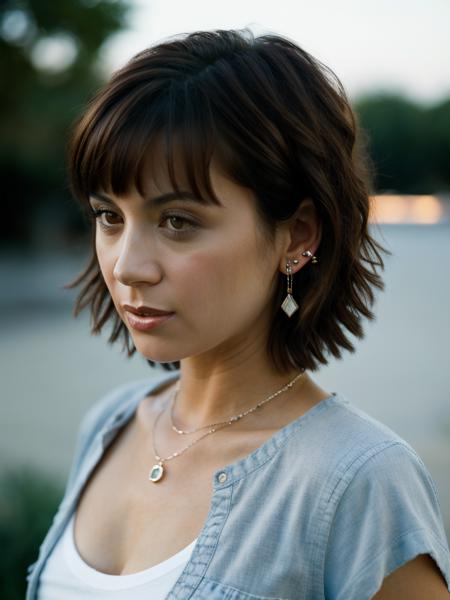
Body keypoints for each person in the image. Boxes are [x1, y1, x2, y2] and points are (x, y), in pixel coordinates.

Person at [26, 28, 450, 600]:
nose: (127, 266)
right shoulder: (109, 426)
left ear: (296, 234)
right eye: (109, 216)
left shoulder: (361, 482)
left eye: (177, 220)